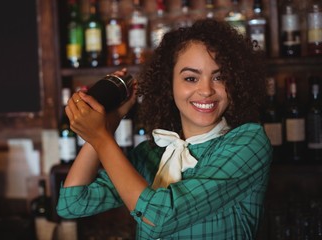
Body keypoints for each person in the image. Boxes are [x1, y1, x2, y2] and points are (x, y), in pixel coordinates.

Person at [56, 18, 272, 240]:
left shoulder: (247, 142)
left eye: (219, 77)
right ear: (169, 85)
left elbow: (158, 218)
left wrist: (101, 138)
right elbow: (73, 203)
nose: (206, 90)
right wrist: (109, 124)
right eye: (191, 78)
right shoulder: (154, 153)